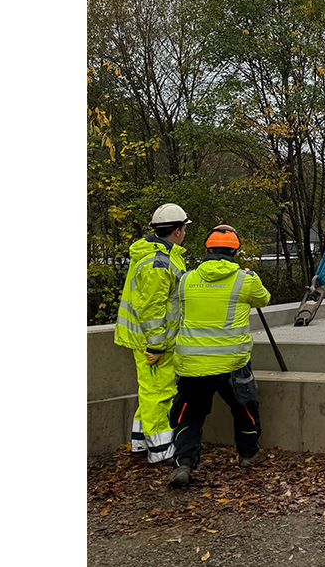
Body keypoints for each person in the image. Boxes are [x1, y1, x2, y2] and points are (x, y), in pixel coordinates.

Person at [168, 225, 271, 488]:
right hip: (232, 365)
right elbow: (264, 299)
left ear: (206, 250)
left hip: (191, 365)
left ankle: (184, 463)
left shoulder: (187, 279)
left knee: (189, 415)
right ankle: (247, 455)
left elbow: (176, 311)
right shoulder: (245, 280)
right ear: (236, 251)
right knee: (244, 409)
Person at [114, 203, 190, 464]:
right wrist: (156, 345)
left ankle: (139, 442)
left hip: (150, 339)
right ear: (178, 231)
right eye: (184, 228)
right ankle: (160, 452)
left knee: (149, 391)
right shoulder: (158, 262)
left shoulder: (156, 254)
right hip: (154, 342)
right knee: (159, 393)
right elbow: (151, 309)